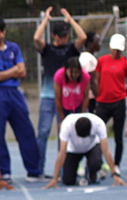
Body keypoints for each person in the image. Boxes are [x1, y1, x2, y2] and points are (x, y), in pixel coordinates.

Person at [0, 16, 42, 183]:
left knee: (26, 131)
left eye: (1, 32)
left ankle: (34, 170)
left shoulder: (14, 47)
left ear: (5, 31)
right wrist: (12, 70)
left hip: (14, 93)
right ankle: (4, 172)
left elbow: (22, 72)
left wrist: (2, 75)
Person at [33, 7, 86, 176]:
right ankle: (38, 169)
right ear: (54, 36)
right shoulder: (47, 49)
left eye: (66, 35)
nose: (65, 38)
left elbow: (83, 37)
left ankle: (64, 170)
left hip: (65, 98)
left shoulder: (71, 49)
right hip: (49, 96)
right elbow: (36, 37)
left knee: (64, 132)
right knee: (43, 132)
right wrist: (46, 20)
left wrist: (70, 20)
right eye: (61, 36)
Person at [44, 113, 127, 188]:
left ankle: (92, 173)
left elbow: (105, 150)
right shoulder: (66, 125)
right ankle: (74, 172)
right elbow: (62, 152)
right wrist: (54, 178)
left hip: (91, 147)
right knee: (68, 181)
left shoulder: (99, 124)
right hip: (73, 150)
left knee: (95, 163)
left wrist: (115, 174)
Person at [93, 34, 127, 172]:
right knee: (95, 133)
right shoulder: (102, 61)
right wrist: (102, 93)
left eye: (119, 49)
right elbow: (98, 80)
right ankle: (96, 162)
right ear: (110, 47)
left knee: (118, 135)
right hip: (103, 103)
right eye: (114, 48)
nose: (116, 52)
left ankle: (116, 165)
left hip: (119, 103)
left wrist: (122, 95)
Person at [54, 57, 90, 125]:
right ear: (65, 70)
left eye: (76, 72)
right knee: (63, 128)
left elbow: (86, 98)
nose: (73, 75)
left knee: (81, 127)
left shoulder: (85, 76)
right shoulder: (59, 75)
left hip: (79, 105)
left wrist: (82, 116)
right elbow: (57, 99)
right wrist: (62, 119)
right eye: (71, 72)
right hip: (64, 107)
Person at [84, 32, 102, 114]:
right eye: (97, 42)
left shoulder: (85, 56)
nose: (100, 44)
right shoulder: (89, 59)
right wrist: (99, 99)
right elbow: (92, 81)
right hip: (90, 97)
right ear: (90, 44)